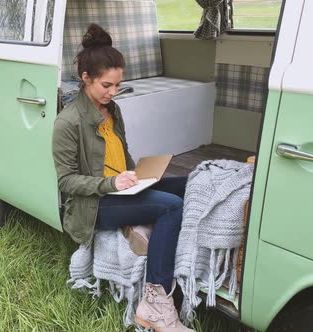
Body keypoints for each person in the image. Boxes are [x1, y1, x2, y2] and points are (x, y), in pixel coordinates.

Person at [52, 23, 193, 332]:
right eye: (106, 85)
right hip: (95, 205)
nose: (113, 92)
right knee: (169, 206)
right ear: (85, 78)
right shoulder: (68, 123)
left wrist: (139, 177)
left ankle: (147, 228)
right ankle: (155, 301)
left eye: (117, 85)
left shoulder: (112, 110)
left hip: (122, 190)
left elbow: (122, 155)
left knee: (189, 184)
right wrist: (111, 184)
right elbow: (65, 182)